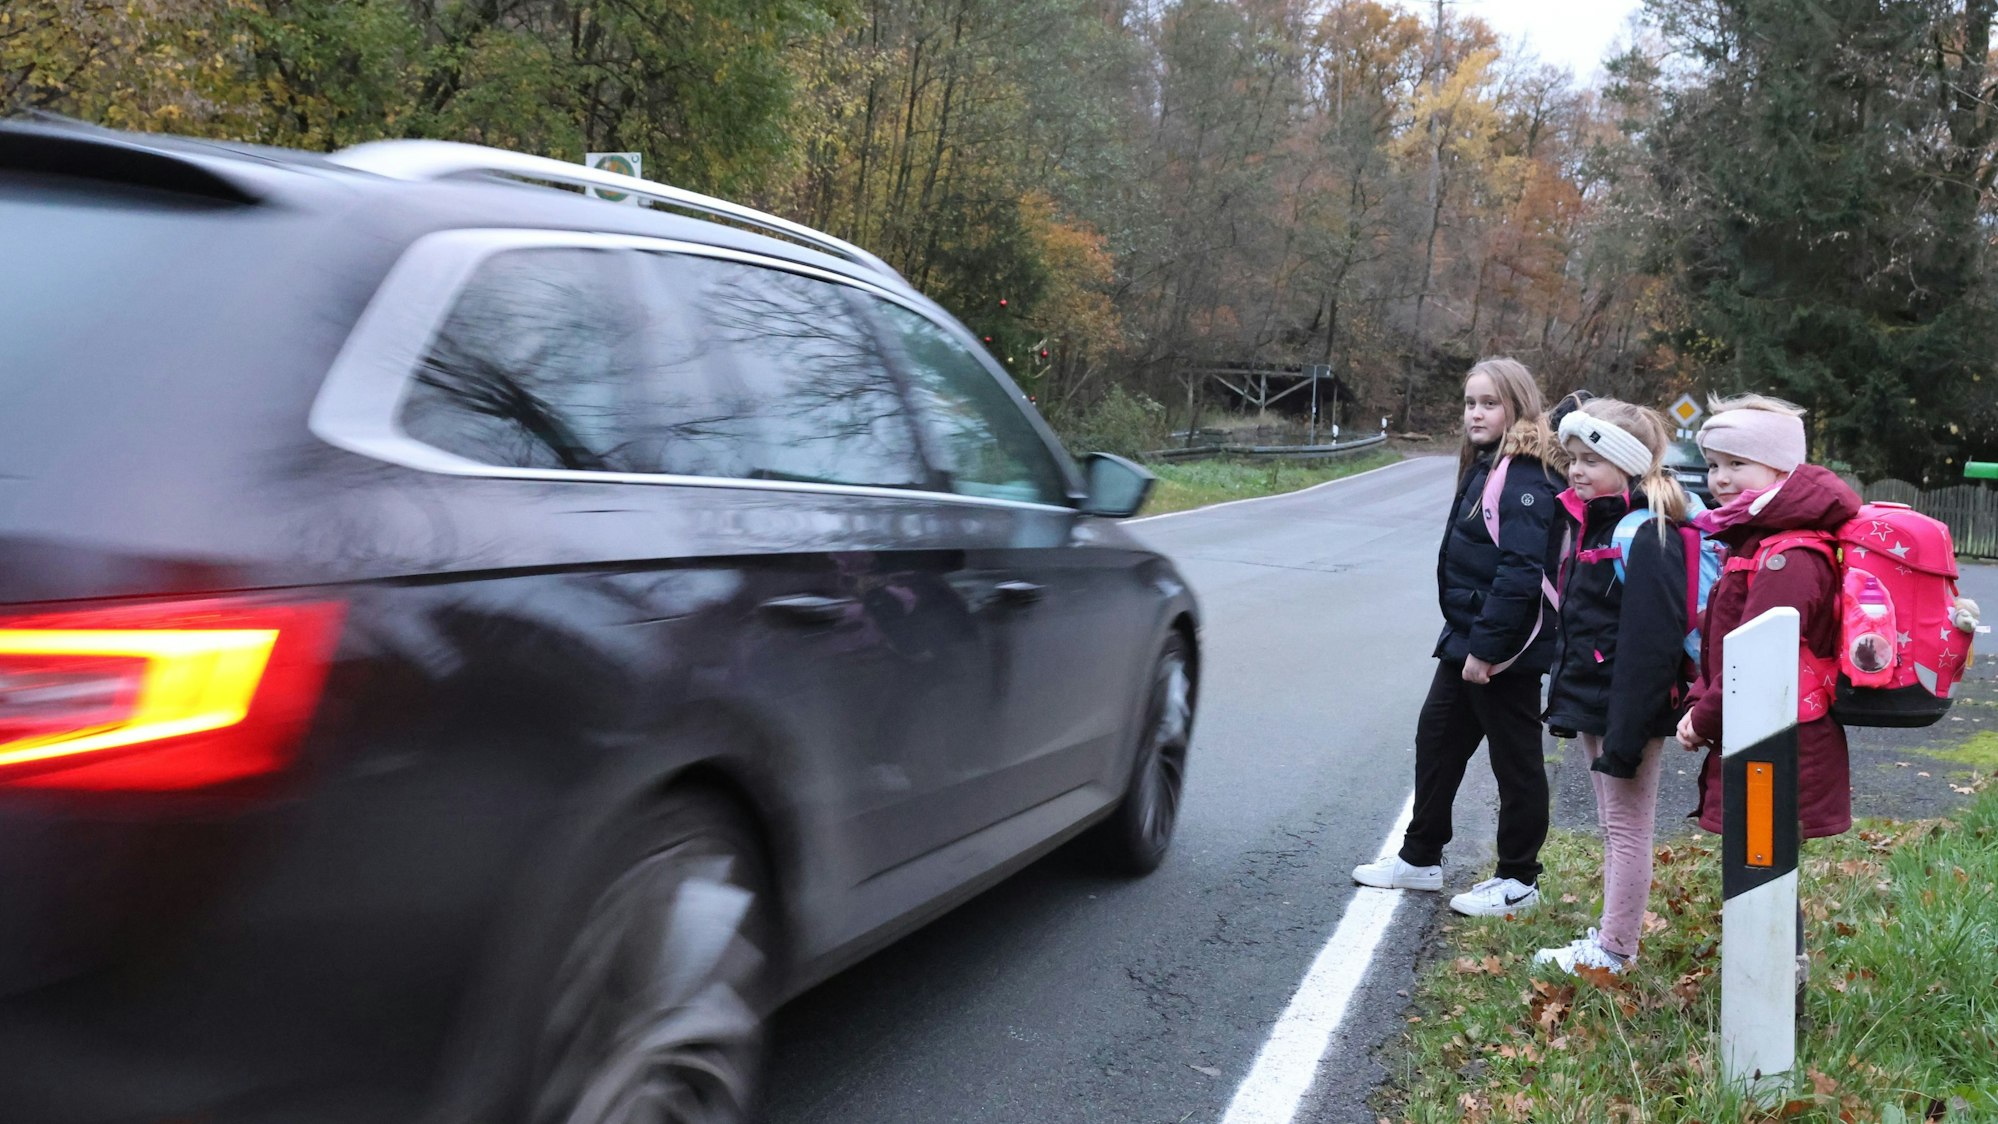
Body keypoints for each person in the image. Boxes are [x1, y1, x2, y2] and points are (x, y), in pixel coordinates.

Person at [1353, 358, 1560, 916]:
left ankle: (1519, 879)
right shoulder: (1490, 464)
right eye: (1470, 403)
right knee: (1439, 739)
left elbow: (1519, 572)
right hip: (1468, 633)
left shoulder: (1526, 477)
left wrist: (1487, 650)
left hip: (1505, 646)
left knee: (1515, 762)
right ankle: (1420, 858)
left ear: (1517, 406)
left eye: (1489, 403)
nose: (1475, 413)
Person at [1531, 398, 1694, 975]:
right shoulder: (1595, 522)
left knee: (1626, 828)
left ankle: (1616, 950)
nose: (1576, 470)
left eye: (1590, 460)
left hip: (1627, 709)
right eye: (1572, 458)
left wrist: (1626, 734)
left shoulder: (1647, 533)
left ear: (1626, 465)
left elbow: (1652, 646)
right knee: (1612, 823)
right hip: (1599, 700)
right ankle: (1611, 935)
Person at [1675, 396, 1860, 841]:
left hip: (1784, 738)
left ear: (1782, 470)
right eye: (1713, 464)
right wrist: (1700, 701)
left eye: (1737, 463)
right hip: (1758, 727)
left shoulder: (1787, 556)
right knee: (1756, 861)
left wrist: (1704, 718)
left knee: (1762, 862)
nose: (1720, 477)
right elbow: (1723, 642)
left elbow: (1758, 657)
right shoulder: (1755, 543)